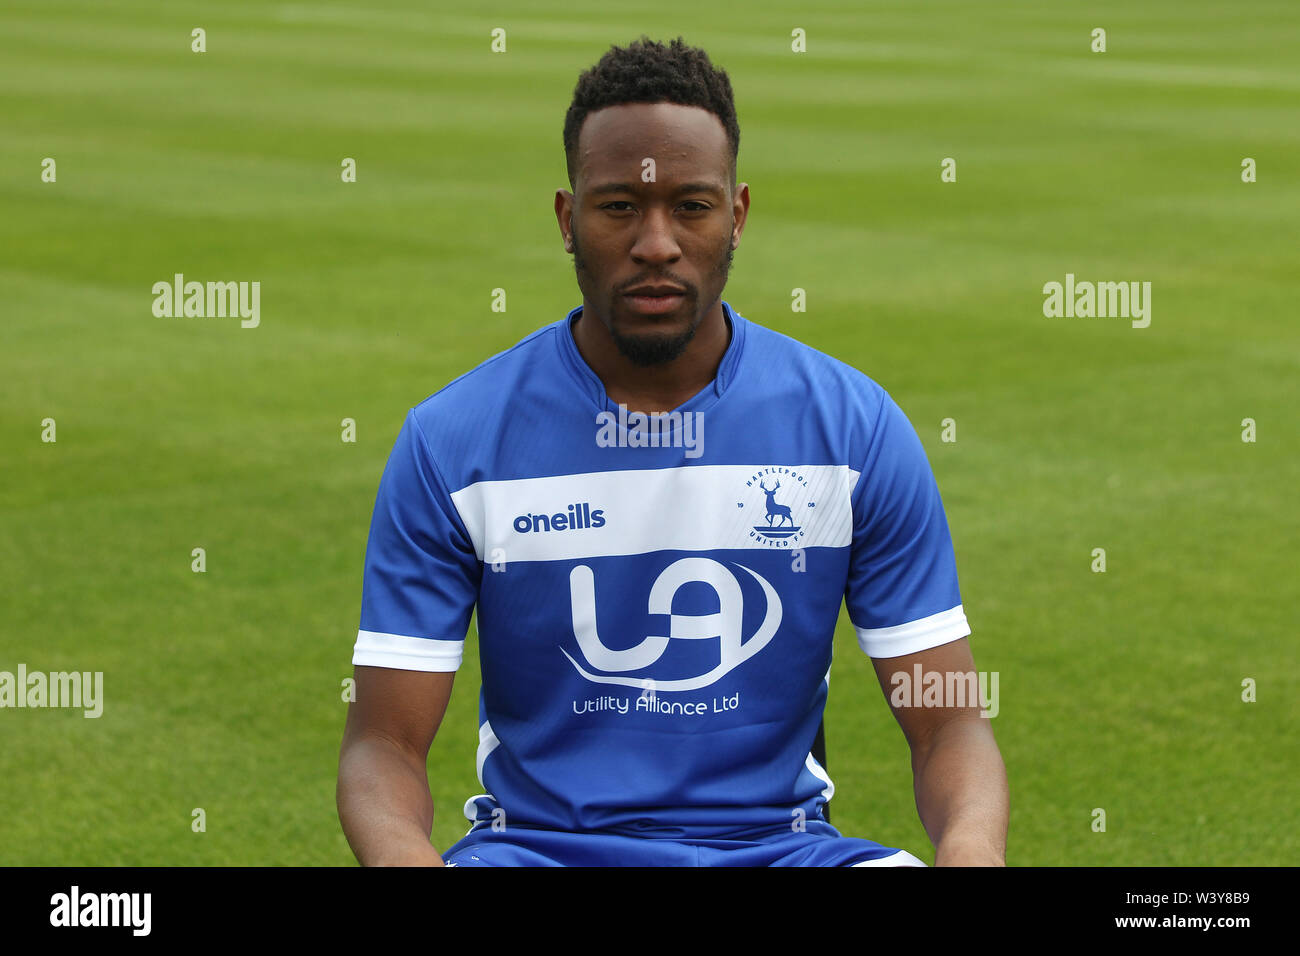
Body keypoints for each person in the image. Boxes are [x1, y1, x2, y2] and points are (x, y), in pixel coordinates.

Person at [336, 36, 1008, 867]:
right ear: (565, 218)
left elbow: (948, 721)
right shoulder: (453, 442)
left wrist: (973, 851)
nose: (656, 243)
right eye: (619, 206)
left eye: (690, 205)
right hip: (541, 853)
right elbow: (383, 749)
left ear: (737, 215)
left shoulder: (853, 431)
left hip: (782, 851)